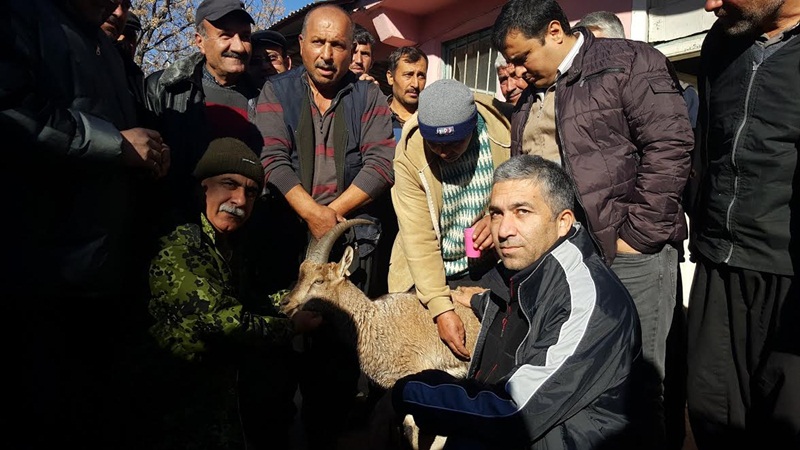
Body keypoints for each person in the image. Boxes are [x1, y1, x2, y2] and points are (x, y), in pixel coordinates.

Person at [492, 1, 693, 446]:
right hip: (566, 265)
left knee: (640, 384)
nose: (519, 72)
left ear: (556, 32)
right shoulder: (528, 97)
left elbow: (670, 146)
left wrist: (636, 237)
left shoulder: (628, 63)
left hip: (630, 256)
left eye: (523, 57)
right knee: (580, 386)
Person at [3, 0, 169, 447]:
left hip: (105, 276)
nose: (120, 5)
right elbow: (14, 113)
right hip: (42, 278)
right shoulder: (22, 18)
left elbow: (127, 139)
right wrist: (114, 144)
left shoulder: (105, 48)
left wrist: (149, 153)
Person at [392, 155, 644, 449]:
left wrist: (408, 393)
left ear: (563, 222)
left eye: (522, 211)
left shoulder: (586, 301)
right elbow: (527, 309)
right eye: (496, 213)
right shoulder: (529, 270)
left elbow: (515, 413)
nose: (503, 230)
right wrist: (484, 301)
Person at [253, 4, 395, 448]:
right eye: (319, 41)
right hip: (288, 246)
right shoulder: (276, 92)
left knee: (333, 372)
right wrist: (311, 214)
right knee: (274, 364)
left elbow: (381, 163)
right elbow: (271, 160)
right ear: (302, 44)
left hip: (347, 252)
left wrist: (331, 217)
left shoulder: (368, 97)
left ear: (352, 48)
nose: (328, 53)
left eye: (338, 44)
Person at [146, 137, 321, 449]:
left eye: (251, 192)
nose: (240, 200)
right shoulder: (181, 244)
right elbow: (225, 320)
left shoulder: (226, 245)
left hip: (218, 401)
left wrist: (295, 300)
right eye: (229, 184)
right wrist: (292, 325)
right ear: (203, 187)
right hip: (176, 408)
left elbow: (247, 300)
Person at [686, 1, 800, 448]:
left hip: (790, 277)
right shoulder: (722, 42)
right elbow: (706, 145)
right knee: (711, 413)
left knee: (786, 425)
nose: (712, 3)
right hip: (718, 265)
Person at [389, 79, 510, 362]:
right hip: (430, 270)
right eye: (436, 144)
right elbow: (419, 238)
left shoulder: (501, 134)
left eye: (454, 142)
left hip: (486, 263)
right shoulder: (410, 154)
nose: (445, 152)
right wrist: (440, 308)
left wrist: (496, 219)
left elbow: (526, 194)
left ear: (473, 126)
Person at [144, 0, 262, 227]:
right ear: (200, 42)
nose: (238, 47)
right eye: (226, 35)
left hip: (243, 232)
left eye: (245, 36)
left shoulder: (265, 96)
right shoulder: (164, 88)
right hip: (174, 228)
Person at [386, 46, 428, 142]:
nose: (415, 84)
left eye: (421, 76)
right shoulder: (375, 117)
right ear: (391, 78)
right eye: (408, 75)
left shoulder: (431, 120)